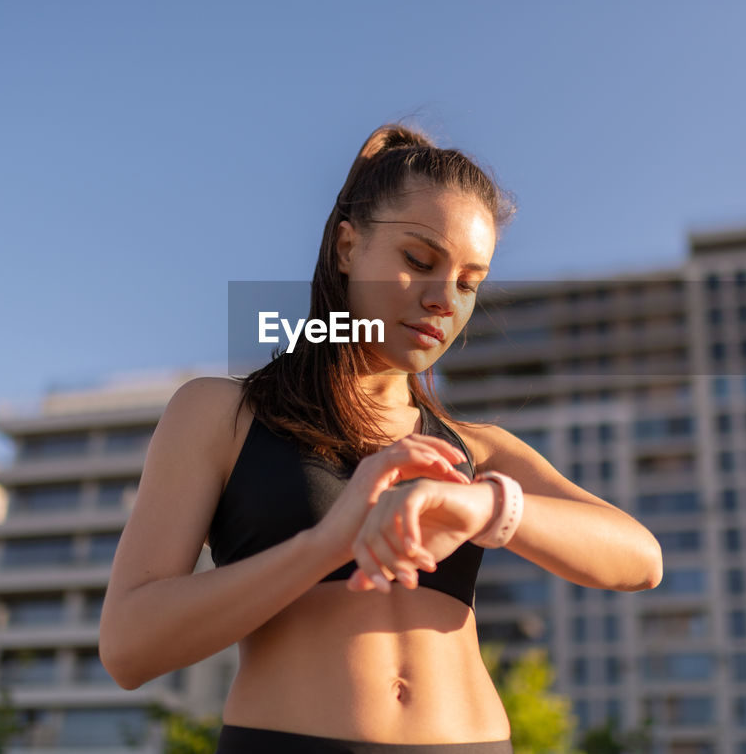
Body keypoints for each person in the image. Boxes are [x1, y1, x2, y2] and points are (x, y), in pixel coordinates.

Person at [98, 123, 663, 753]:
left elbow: (641, 560)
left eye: (468, 283)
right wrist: (328, 542)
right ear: (346, 247)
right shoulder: (220, 413)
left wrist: (484, 505)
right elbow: (128, 648)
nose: (442, 299)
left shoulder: (479, 449)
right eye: (419, 261)